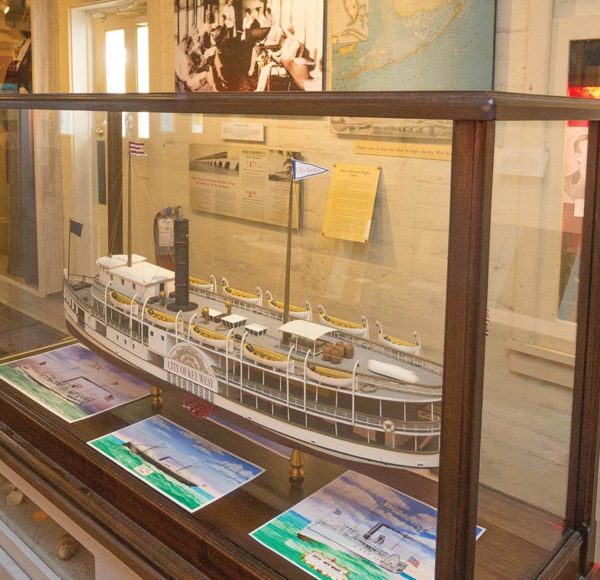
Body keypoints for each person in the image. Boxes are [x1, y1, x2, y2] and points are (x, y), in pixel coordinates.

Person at [255, 25, 300, 91]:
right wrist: (273, 54)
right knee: (264, 69)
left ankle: (260, 91)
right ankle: (259, 90)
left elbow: (286, 60)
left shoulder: (295, 44)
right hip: (280, 63)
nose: (284, 34)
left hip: (285, 67)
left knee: (265, 70)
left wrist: (273, 56)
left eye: (285, 32)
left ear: (288, 32)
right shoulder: (288, 40)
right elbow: (281, 51)